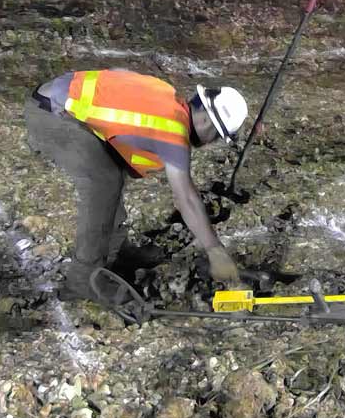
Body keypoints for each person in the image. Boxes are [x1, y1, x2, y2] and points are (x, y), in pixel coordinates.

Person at [27, 69, 250, 299]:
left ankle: (115, 252)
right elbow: (185, 198)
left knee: (111, 170)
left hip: (62, 103)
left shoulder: (166, 94)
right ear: (206, 120)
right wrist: (215, 251)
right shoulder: (171, 130)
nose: (210, 142)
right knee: (104, 182)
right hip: (52, 114)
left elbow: (116, 77)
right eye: (216, 135)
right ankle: (82, 281)